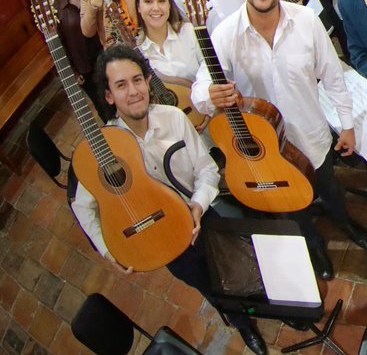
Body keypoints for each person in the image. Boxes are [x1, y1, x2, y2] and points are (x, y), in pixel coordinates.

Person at [75, 45, 267, 354]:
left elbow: (206, 169)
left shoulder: (174, 118)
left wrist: (198, 204)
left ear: (148, 82)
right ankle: (243, 325)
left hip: (203, 217)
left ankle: (261, 306)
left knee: (237, 267)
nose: (133, 91)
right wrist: (111, 251)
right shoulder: (105, 147)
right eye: (121, 85)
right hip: (162, 242)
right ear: (109, 96)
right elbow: (82, 206)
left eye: (137, 80)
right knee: (209, 287)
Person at [193, 0, 367, 275]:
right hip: (267, 152)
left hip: (311, 136)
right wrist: (210, 94)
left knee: (330, 188)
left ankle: (344, 221)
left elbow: (333, 76)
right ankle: (315, 248)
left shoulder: (305, 21)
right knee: (292, 207)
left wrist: (347, 126)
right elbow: (199, 89)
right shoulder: (224, 35)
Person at [49, 0, 106, 112]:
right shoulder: (55, 8)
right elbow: (59, 45)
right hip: (85, 67)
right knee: (103, 107)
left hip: (104, 53)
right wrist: (72, 71)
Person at [136, 0, 205, 87]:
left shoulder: (189, 32)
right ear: (138, 7)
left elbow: (208, 74)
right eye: (148, 1)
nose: (156, 8)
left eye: (161, 1)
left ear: (169, 4)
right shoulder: (137, 51)